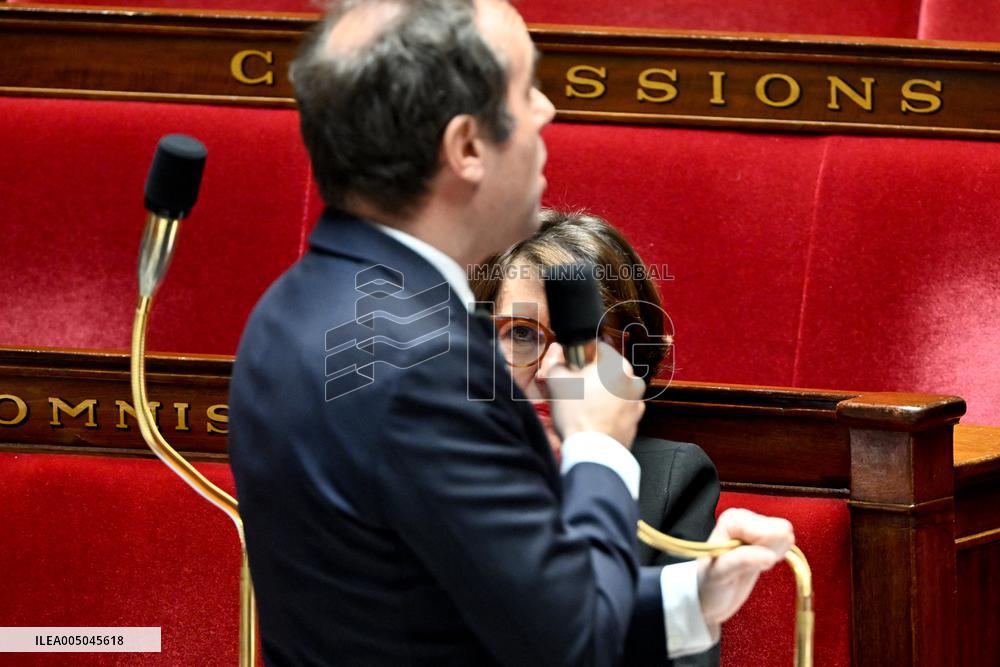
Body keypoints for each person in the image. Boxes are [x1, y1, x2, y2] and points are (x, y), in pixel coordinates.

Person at [228, 1, 794, 665]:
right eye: (527, 90)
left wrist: (691, 596)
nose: (548, 109)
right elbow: (568, 643)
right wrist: (599, 444)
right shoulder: (427, 366)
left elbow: (476, 609)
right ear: (467, 146)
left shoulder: (290, 309)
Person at [472, 208, 722, 666]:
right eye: (521, 334)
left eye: (583, 344)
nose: (551, 371)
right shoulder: (424, 461)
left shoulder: (668, 480)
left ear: (633, 366)